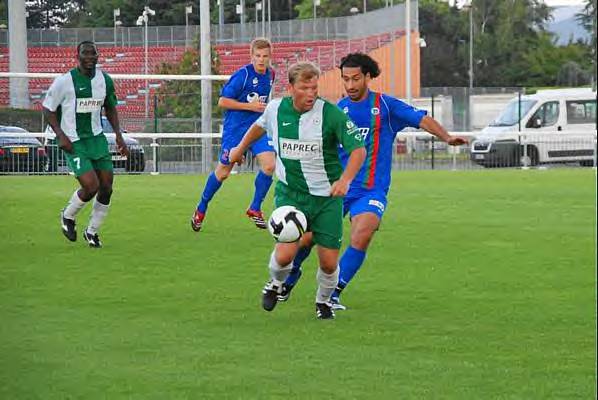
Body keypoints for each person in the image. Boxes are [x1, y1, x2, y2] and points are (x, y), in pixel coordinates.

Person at [279, 53, 468, 309]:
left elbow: (421, 119)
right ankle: (291, 274)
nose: (350, 85)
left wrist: (446, 138)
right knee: (307, 238)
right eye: (345, 79)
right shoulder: (336, 110)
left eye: (356, 78)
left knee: (362, 233)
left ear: (368, 76)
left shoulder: (387, 107)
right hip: (337, 187)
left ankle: (333, 293)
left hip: (370, 190)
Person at [228, 62, 366, 319]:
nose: (311, 93)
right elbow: (258, 126)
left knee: (328, 262)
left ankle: (323, 302)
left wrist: (346, 179)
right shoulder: (275, 109)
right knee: (284, 254)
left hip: (327, 199)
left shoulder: (331, 114)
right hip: (291, 194)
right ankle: (275, 283)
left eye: (314, 87)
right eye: (304, 88)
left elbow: (358, 149)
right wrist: (239, 148)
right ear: (291, 88)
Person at [43, 41, 128, 248]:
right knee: (91, 186)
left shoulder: (104, 80)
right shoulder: (64, 81)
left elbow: (110, 108)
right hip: (73, 140)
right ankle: (68, 215)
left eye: (93, 54)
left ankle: (92, 232)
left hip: (97, 138)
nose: (89, 57)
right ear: (77, 56)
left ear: (98, 56)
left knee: (106, 187)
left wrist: (119, 135)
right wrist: (60, 134)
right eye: (85, 54)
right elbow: (48, 109)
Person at [191, 38, 276, 232]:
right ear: (251, 56)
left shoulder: (271, 74)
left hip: (258, 129)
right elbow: (222, 101)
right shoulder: (243, 75)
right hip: (236, 131)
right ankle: (201, 208)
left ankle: (255, 208)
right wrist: (250, 107)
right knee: (223, 173)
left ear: (270, 57)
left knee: (270, 165)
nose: (261, 60)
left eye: (265, 56)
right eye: (258, 56)